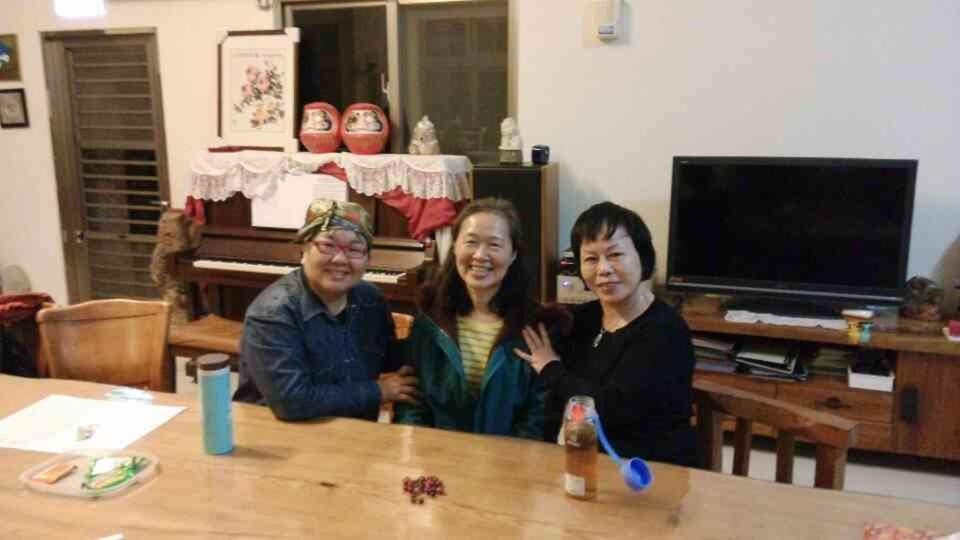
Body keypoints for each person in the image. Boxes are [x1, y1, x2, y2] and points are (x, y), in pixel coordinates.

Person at [515, 202, 697, 466]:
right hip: (583, 461)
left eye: (615, 255)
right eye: (591, 259)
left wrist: (551, 369)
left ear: (643, 257)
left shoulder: (666, 330)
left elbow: (612, 409)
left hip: (647, 470)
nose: (603, 269)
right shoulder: (583, 317)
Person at [394, 198, 564, 439]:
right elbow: (411, 401)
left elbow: (540, 417)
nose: (480, 255)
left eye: (494, 245)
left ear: (513, 254)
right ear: (455, 247)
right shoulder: (431, 319)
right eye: (471, 242)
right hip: (436, 453)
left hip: (509, 457)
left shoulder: (536, 327)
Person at [234, 199, 418, 421]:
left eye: (354, 249)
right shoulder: (271, 313)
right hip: (281, 432)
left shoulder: (370, 299)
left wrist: (432, 336)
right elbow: (292, 401)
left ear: (368, 259)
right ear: (303, 250)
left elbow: (388, 356)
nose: (340, 259)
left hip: (355, 428)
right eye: (328, 246)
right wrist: (378, 391)